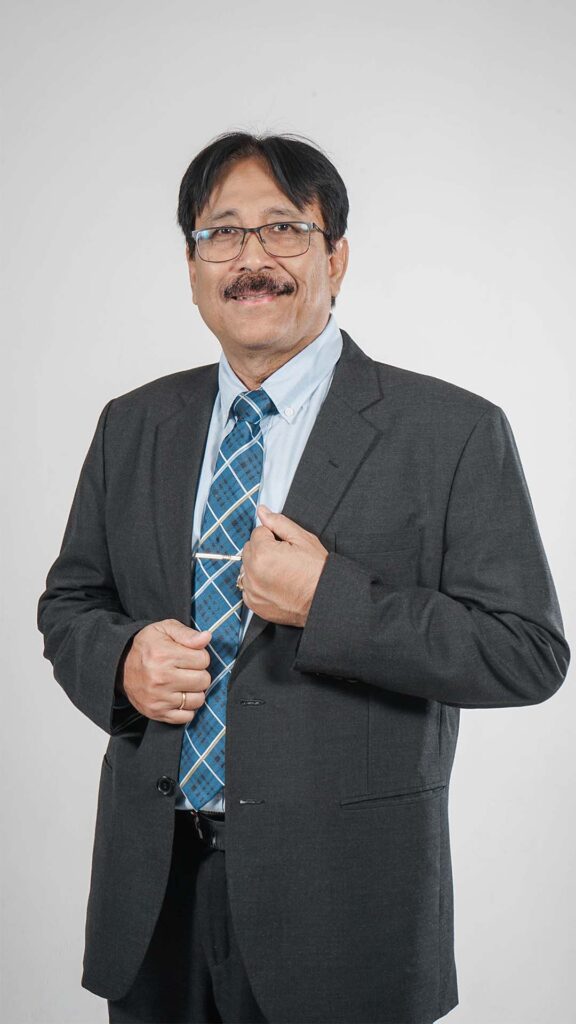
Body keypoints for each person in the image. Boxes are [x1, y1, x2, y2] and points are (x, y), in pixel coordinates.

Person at [37, 130, 570, 1024]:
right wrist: (122, 662)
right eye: (223, 233)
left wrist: (331, 602)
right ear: (193, 265)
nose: (253, 259)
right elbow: (70, 604)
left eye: (284, 228)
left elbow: (527, 653)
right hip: (155, 897)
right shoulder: (134, 424)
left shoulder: (451, 431)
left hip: (344, 908)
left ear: (337, 257)